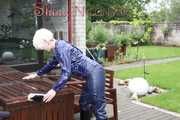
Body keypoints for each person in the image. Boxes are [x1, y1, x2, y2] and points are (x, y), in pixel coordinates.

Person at [22, 28, 107, 120]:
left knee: (98, 106)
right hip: (89, 75)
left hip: (95, 72)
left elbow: (67, 72)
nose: (42, 49)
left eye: (41, 46)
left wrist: (54, 90)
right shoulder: (57, 48)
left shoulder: (62, 47)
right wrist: (37, 74)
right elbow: (51, 64)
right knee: (84, 103)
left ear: (46, 41)